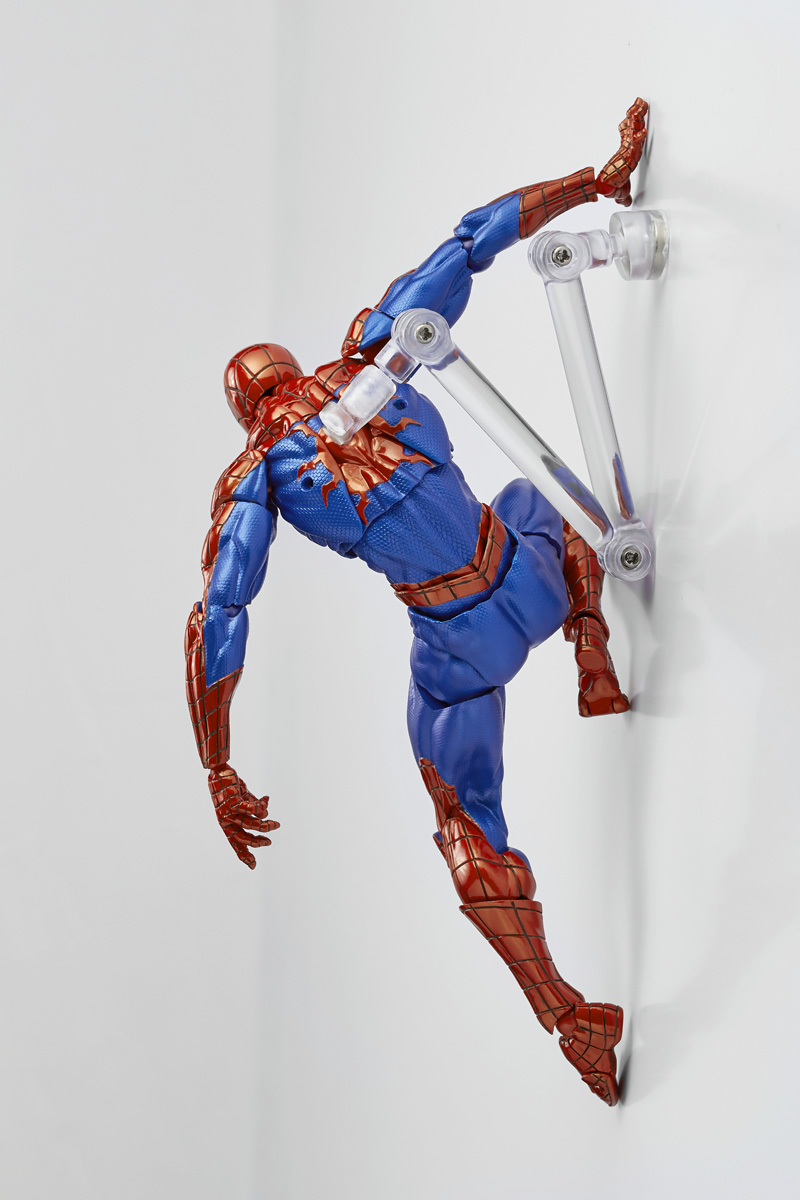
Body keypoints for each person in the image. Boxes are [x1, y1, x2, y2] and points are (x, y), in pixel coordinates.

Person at [185, 99, 648, 1105]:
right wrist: (596, 180)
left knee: (462, 826)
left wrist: (218, 763)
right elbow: (472, 240)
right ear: (290, 371)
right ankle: (589, 647)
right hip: (522, 566)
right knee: (543, 491)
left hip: (457, 645)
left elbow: (220, 615)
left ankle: (568, 1019)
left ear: (243, 408)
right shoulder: (366, 353)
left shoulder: (254, 474)